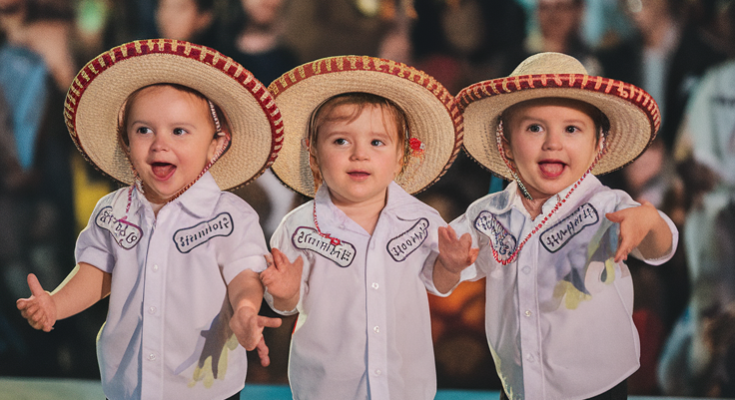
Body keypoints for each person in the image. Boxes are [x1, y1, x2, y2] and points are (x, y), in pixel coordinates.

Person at [15, 40, 284, 400]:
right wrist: (56, 304)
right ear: (126, 143)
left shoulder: (231, 216)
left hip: (203, 388)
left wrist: (247, 309)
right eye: (144, 130)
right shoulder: (113, 211)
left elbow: (243, 275)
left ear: (215, 146)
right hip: (128, 384)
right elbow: (97, 273)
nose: (159, 144)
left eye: (179, 131)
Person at [443, 52, 678, 400]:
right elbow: (441, 280)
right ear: (505, 143)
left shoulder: (606, 206)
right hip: (520, 384)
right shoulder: (487, 215)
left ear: (598, 145)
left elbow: (662, 246)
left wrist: (648, 221)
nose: (553, 143)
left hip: (596, 386)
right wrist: (449, 265)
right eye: (534, 128)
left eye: (571, 129)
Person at [260, 56, 465, 399]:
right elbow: (285, 305)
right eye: (341, 141)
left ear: (400, 157)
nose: (359, 154)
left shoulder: (421, 220)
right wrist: (283, 292)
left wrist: (450, 266)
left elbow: (439, 285)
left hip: (404, 387)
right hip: (328, 389)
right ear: (314, 153)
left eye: (377, 142)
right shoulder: (298, 227)